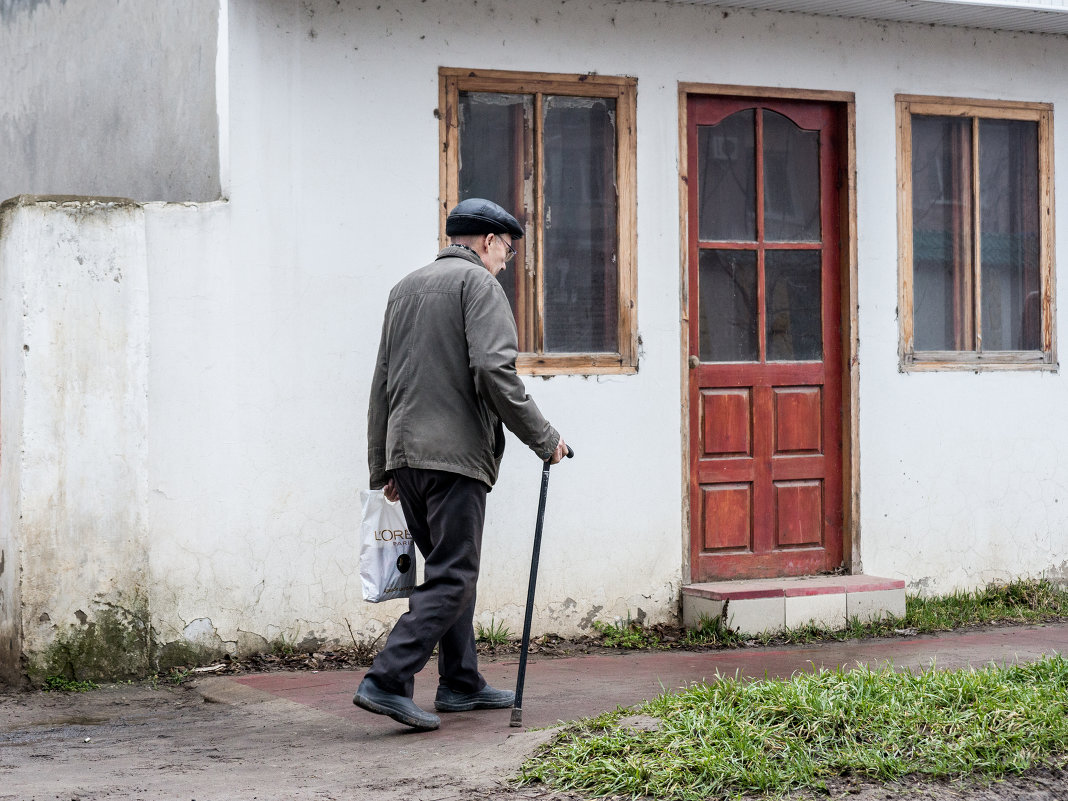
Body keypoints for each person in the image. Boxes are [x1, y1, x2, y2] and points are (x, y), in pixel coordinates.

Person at [355, 198, 568, 731]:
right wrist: (544, 439)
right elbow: (496, 371)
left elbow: (381, 382)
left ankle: (460, 681)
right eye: (508, 251)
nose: (506, 262)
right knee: (453, 576)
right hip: (453, 462)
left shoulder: (404, 289)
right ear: (489, 241)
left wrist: (382, 466)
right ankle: (387, 678)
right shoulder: (479, 287)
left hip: (408, 460)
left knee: (449, 569)